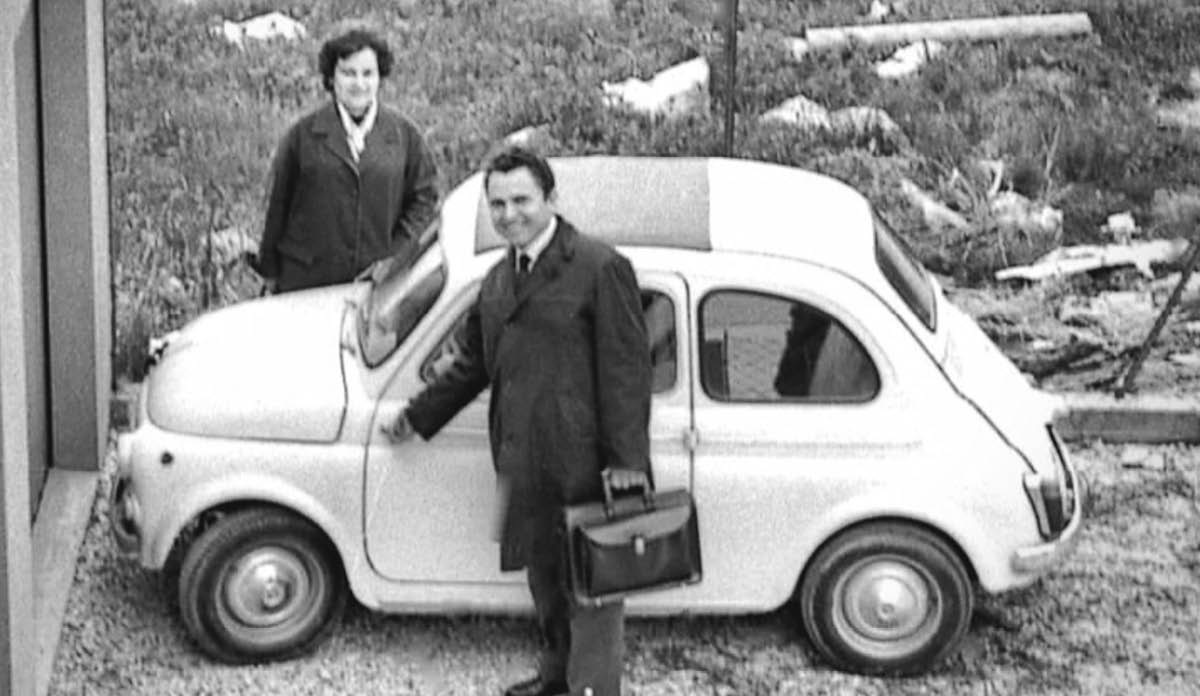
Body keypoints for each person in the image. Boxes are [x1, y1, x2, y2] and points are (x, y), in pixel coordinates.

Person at [383, 146, 652, 696]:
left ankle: (592, 689)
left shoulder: (599, 267)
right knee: (546, 582)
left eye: (522, 200)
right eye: (498, 204)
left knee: (591, 593)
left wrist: (627, 464)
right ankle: (556, 680)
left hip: (586, 468)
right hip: (524, 465)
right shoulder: (499, 279)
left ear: (550, 198)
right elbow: (475, 364)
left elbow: (627, 372)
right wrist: (417, 415)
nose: (510, 215)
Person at [255, 27, 439, 292]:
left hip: (374, 286)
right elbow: (278, 205)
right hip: (306, 282)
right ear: (332, 78)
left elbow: (424, 200)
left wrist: (395, 256)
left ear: (380, 77)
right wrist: (270, 272)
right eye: (348, 73)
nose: (359, 84)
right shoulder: (303, 135)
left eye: (368, 73)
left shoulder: (404, 136)